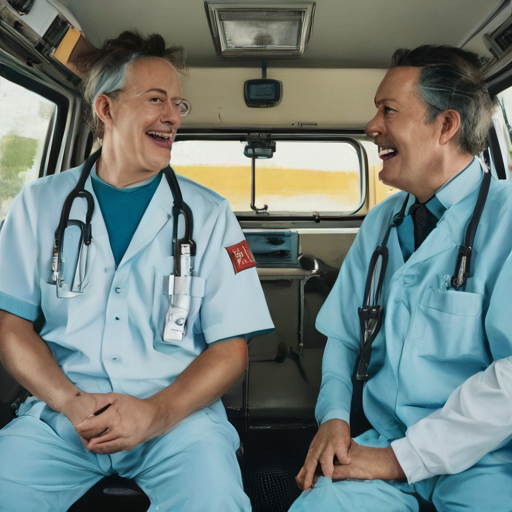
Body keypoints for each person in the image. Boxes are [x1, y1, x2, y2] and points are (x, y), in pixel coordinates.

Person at [0, 31, 273, 512]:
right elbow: (11, 326)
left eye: (178, 104)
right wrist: (68, 401)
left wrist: (156, 413)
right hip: (62, 419)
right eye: (156, 100)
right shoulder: (39, 203)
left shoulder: (209, 214)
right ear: (106, 110)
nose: (173, 117)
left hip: (178, 422)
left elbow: (231, 349)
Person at [291, 45, 512, 511]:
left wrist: (402, 459)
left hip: (486, 459)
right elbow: (343, 337)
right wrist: (333, 418)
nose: (372, 126)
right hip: (380, 443)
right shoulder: (383, 221)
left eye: (387, 110)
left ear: (446, 126)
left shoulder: (506, 219)